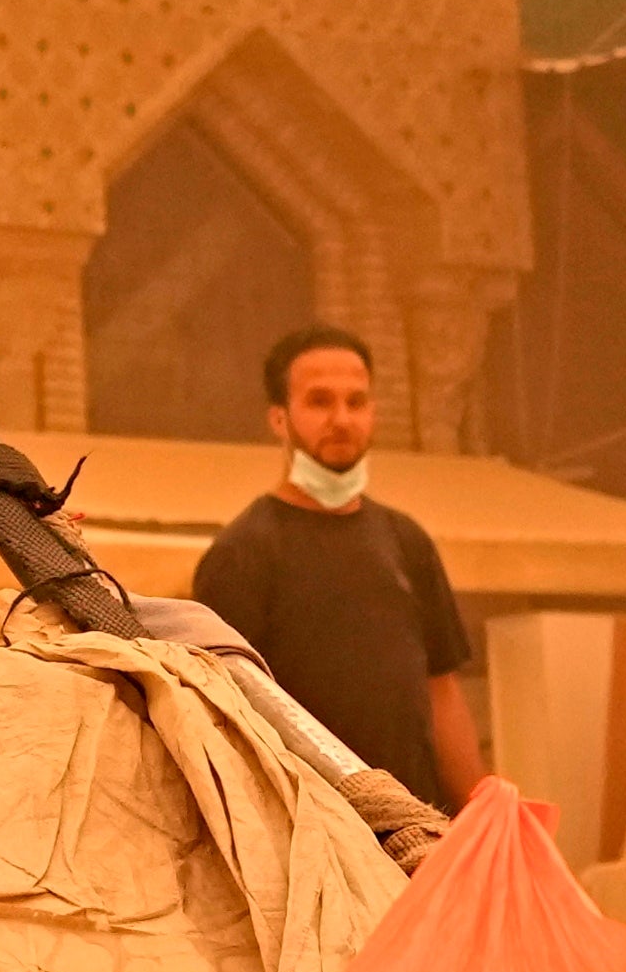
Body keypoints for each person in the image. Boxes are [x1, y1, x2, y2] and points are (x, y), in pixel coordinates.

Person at [186, 321, 483, 810]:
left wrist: (479, 815)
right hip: (311, 830)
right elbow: (222, 714)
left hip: (418, 828)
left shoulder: (406, 542)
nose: (342, 419)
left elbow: (442, 692)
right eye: (320, 401)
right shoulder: (242, 554)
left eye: (356, 401)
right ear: (279, 419)